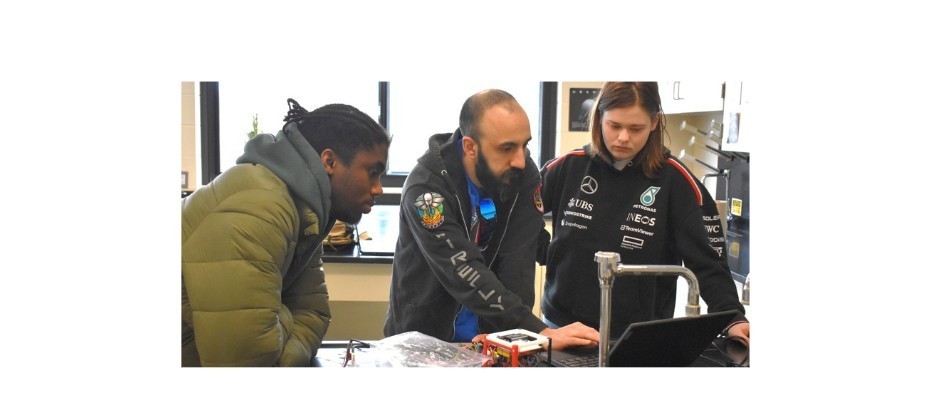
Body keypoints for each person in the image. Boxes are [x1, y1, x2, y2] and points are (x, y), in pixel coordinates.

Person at [383, 89, 599, 350]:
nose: (520, 159)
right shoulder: (427, 190)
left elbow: (518, 260)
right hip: (425, 339)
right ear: (470, 147)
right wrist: (539, 331)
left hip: (489, 339)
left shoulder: (521, 173)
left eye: (525, 144)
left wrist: (513, 333)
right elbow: (461, 269)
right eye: (507, 148)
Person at [538, 82, 750, 346]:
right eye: (614, 126)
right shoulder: (566, 167)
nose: (623, 137)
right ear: (599, 118)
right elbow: (520, 220)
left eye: (635, 128)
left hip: (638, 333)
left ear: (654, 123)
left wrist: (732, 317)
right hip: (562, 325)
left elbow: (708, 260)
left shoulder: (677, 181)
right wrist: (547, 252)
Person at [181, 99, 390, 366]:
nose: (379, 189)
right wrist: (282, 314)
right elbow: (244, 362)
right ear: (329, 161)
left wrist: (278, 321)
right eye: (372, 172)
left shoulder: (306, 211)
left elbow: (314, 313)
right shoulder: (262, 208)